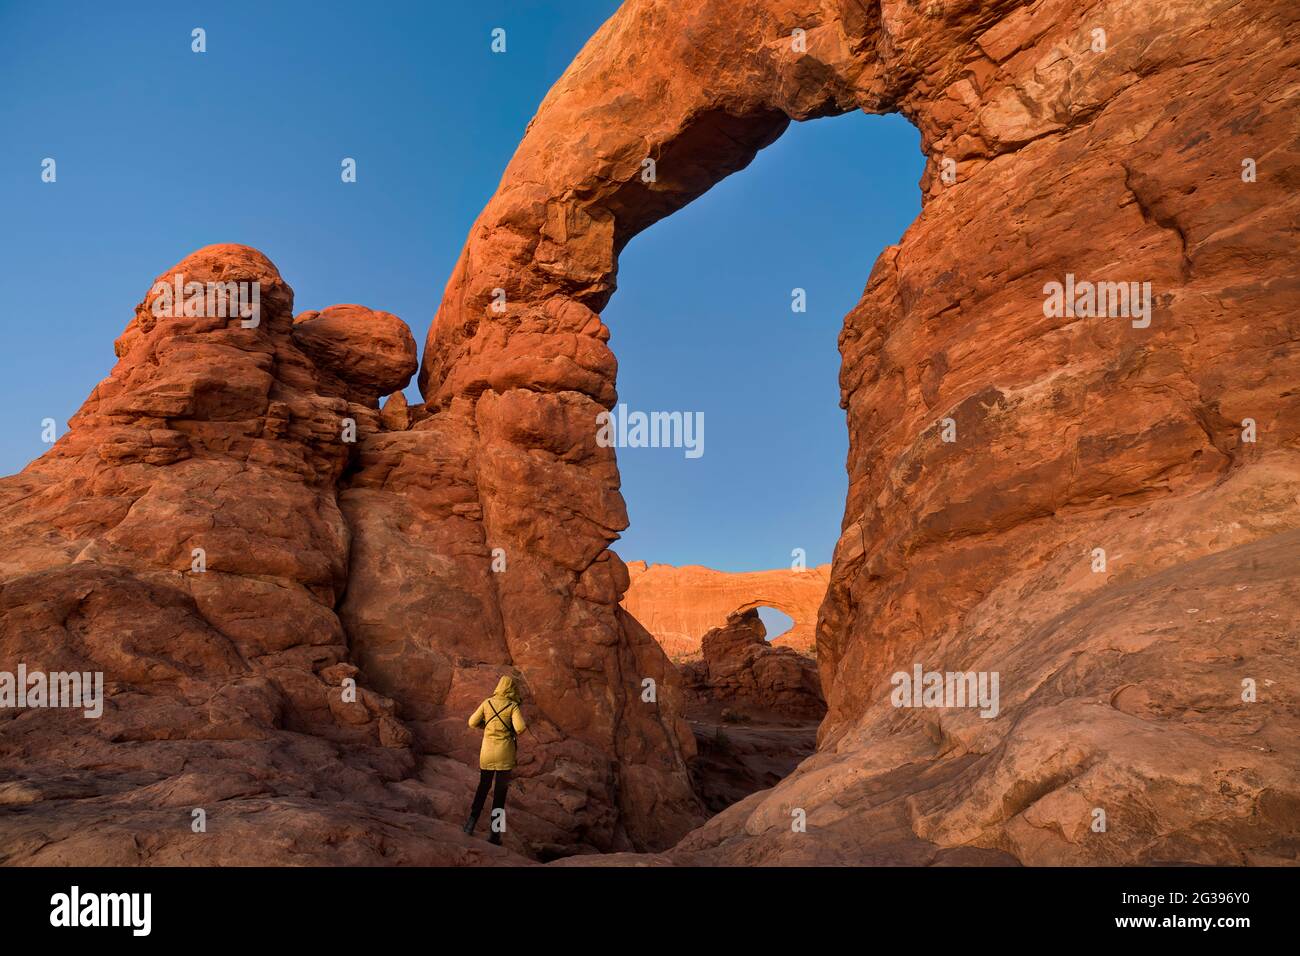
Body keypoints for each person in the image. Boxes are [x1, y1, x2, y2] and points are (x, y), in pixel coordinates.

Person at [463, 674, 527, 845]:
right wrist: (510, 731)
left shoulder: (487, 702)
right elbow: (521, 728)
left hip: (487, 753)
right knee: (500, 795)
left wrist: (487, 727)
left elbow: (471, 722)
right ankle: (495, 834)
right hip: (504, 755)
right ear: (511, 689)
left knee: (483, 788)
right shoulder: (512, 706)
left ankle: (470, 824)